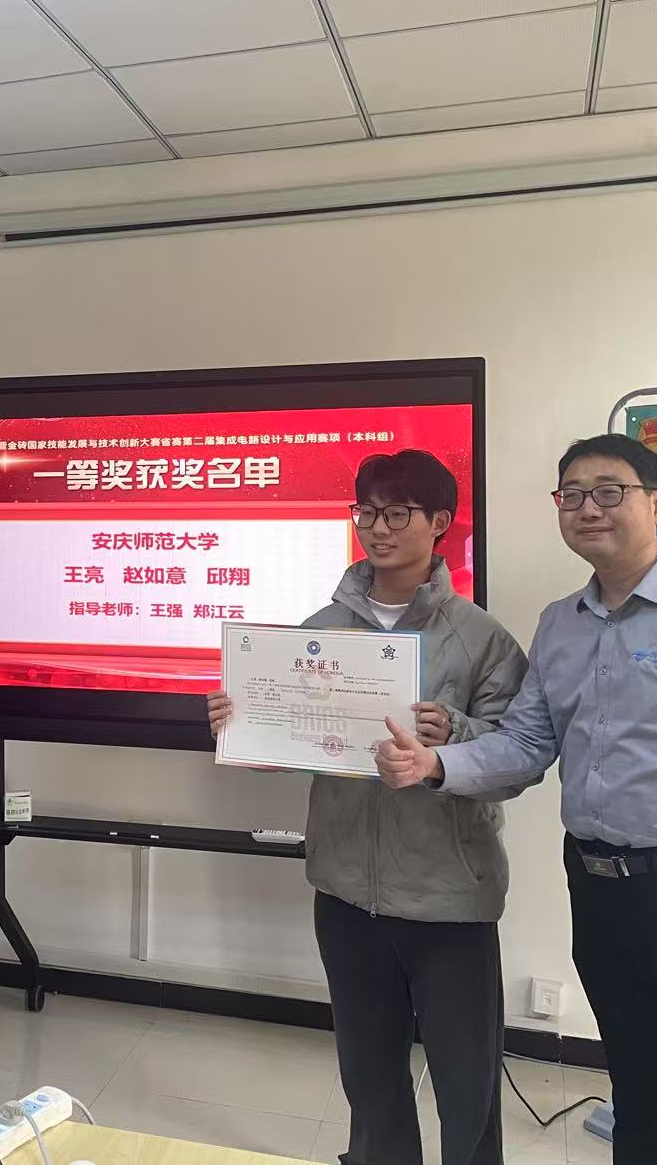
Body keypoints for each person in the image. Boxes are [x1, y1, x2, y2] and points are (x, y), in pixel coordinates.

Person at [377, 433, 657, 1165]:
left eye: (610, 492)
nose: (588, 509)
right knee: (640, 1097)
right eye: (571, 495)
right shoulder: (560, 624)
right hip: (600, 888)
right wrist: (436, 763)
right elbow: (526, 741)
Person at [207, 450, 530, 1165]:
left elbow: (518, 761)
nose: (377, 528)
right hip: (346, 889)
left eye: (397, 513)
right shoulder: (320, 628)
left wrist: (456, 737)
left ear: (439, 522)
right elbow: (299, 744)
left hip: (449, 896)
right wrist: (247, 726)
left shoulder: (482, 638)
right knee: (370, 1075)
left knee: (466, 1086)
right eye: (367, 512)